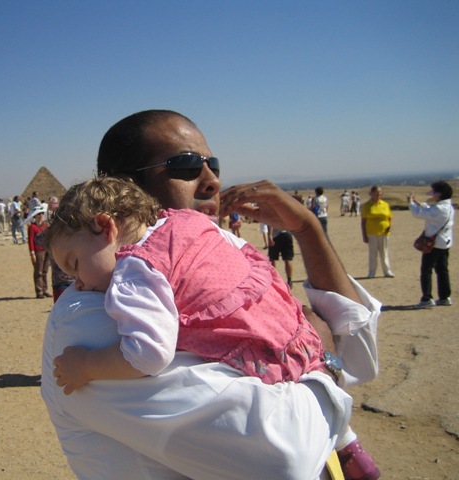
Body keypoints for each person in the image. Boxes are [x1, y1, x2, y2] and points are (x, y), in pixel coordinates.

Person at [41, 110, 381, 479]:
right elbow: (285, 458)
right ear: (125, 186)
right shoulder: (92, 313)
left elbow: (359, 357)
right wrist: (324, 361)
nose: (212, 181)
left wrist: (307, 229)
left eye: (212, 165)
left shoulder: (202, 251)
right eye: (186, 165)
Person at [408, 181, 454, 308]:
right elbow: (429, 209)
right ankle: (445, 296)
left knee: (426, 270)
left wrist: (411, 203)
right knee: (442, 270)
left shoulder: (440, 209)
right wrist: (418, 203)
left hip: (434, 244)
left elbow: (419, 214)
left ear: (440, 194)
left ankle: (427, 298)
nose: (433, 195)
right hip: (444, 243)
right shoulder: (448, 207)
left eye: (434, 192)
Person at [361, 186, 394, 278]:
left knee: (384, 252)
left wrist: (390, 226)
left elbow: (389, 217)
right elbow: (363, 221)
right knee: (373, 253)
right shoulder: (367, 206)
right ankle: (371, 272)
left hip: (384, 232)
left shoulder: (385, 204)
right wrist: (364, 235)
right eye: (375, 194)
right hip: (371, 233)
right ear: (371, 194)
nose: (377, 196)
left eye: (379, 194)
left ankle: (387, 271)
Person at [25, 205, 52, 298]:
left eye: (42, 213)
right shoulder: (32, 227)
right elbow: (31, 240)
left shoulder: (46, 225)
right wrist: (32, 253)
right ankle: (39, 291)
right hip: (38, 251)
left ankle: (45, 289)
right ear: (35, 215)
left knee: (45, 271)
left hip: (46, 250)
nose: (40, 215)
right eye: (38, 214)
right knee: (38, 271)